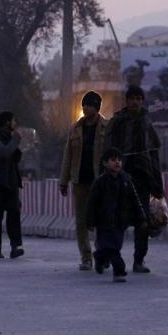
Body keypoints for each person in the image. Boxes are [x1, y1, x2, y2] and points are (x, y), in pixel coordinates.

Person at [105, 85, 164, 273]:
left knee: (142, 220)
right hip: (119, 176)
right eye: (132, 99)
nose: (135, 102)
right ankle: (110, 255)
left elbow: (154, 154)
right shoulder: (117, 122)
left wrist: (157, 182)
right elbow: (107, 151)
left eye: (139, 99)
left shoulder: (147, 124)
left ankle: (139, 260)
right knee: (116, 219)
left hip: (143, 176)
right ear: (126, 101)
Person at [59, 91, 110, 270]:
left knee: (102, 219)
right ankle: (86, 257)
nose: (85, 108)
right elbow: (68, 155)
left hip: (101, 182)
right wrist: (63, 181)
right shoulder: (75, 129)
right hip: (80, 180)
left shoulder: (107, 127)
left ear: (96, 107)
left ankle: (102, 253)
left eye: (88, 105)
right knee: (81, 221)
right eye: (83, 104)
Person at [87, 148, 148, 283]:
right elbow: (91, 203)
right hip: (103, 222)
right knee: (113, 249)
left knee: (111, 247)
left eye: (119, 160)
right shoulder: (100, 182)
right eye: (113, 160)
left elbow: (135, 199)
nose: (117, 163)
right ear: (105, 163)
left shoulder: (126, 180)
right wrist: (90, 222)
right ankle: (119, 271)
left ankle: (99, 257)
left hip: (120, 222)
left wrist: (141, 217)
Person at [0, 111, 25, 259]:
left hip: (11, 183)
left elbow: (15, 157)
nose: (15, 124)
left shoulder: (10, 137)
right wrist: (15, 140)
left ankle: (15, 246)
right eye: (14, 121)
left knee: (14, 215)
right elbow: (3, 151)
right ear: (7, 122)